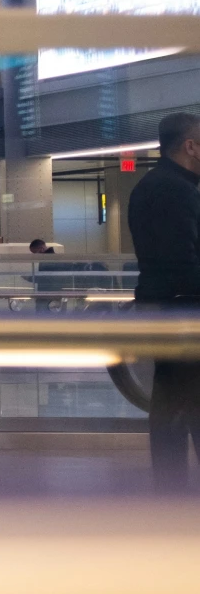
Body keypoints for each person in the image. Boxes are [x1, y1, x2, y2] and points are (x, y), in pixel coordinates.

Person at [129, 111, 200, 489]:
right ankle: (172, 496)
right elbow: (182, 264)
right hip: (181, 312)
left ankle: (171, 495)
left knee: (179, 404)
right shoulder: (174, 191)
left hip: (169, 310)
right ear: (190, 146)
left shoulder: (159, 186)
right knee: (178, 405)